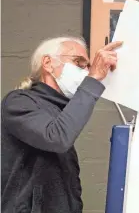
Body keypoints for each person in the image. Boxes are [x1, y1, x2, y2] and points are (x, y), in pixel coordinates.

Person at [1, 37, 123, 213]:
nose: (85, 71)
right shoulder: (18, 102)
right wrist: (94, 79)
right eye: (78, 63)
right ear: (48, 63)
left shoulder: (60, 112)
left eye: (87, 66)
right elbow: (56, 138)